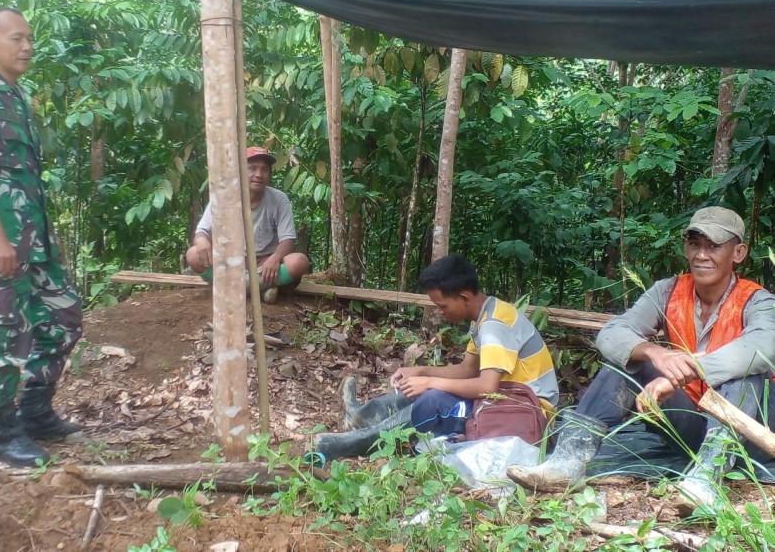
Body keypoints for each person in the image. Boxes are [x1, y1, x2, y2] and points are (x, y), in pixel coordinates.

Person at [508, 206, 775, 512]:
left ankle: (706, 480)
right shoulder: (668, 290)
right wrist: (653, 352)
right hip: (691, 425)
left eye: (714, 246)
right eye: (694, 244)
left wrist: (685, 372)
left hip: (751, 437)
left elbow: (761, 347)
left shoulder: (758, 300)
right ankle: (568, 463)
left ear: (738, 253)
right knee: (627, 363)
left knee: (748, 375)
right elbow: (613, 333)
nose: (702, 255)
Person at [0, 7, 83, 468]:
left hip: (34, 240)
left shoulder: (15, 96)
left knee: (65, 319)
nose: (27, 46)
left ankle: (36, 412)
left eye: (29, 38)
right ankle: (3, 434)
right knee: (3, 334)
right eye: (16, 38)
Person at [311, 254, 559, 461]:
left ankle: (350, 443)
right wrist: (422, 373)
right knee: (421, 389)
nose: (440, 313)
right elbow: (468, 371)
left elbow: (486, 386)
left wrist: (430, 383)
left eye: (442, 306)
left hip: (525, 413)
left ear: (464, 297)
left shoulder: (494, 325)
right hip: (505, 401)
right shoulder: (487, 315)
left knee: (433, 400)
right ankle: (360, 418)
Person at [185, 146, 310, 303]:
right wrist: (202, 240)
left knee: (299, 262)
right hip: (231, 263)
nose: (258, 174)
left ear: (269, 174)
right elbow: (202, 231)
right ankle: (260, 288)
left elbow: (288, 240)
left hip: (265, 265)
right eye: (252, 168)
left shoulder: (279, 199)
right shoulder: (224, 197)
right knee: (193, 255)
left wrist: (276, 257)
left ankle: (232, 288)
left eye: (264, 170)